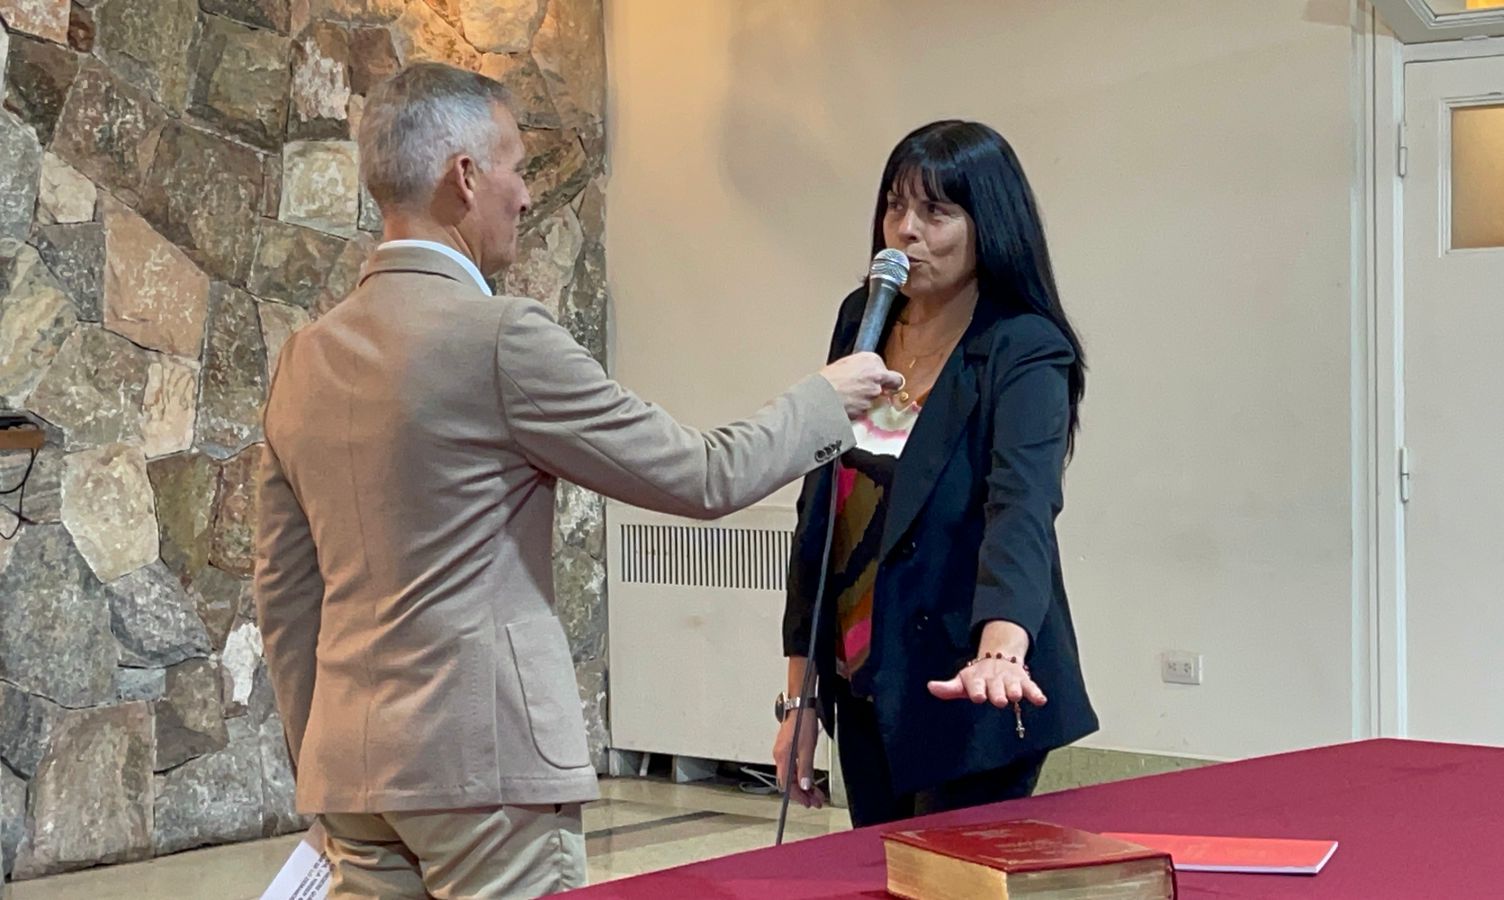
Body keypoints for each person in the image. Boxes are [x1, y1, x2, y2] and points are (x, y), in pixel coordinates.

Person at [253, 62, 901, 899]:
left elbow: (285, 594)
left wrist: (321, 762)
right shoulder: (500, 337)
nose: (526, 196)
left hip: (352, 773)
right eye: (517, 168)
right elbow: (701, 476)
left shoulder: (304, 358)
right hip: (487, 772)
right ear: (465, 176)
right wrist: (823, 400)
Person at [772, 120, 1098, 828]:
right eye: (895, 206)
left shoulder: (1023, 346)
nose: (906, 231)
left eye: (936, 211)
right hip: (867, 676)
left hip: (971, 680)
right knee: (879, 868)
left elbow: (1022, 507)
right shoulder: (862, 319)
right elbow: (820, 512)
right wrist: (801, 696)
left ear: (989, 226)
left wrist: (1001, 652)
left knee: (951, 873)